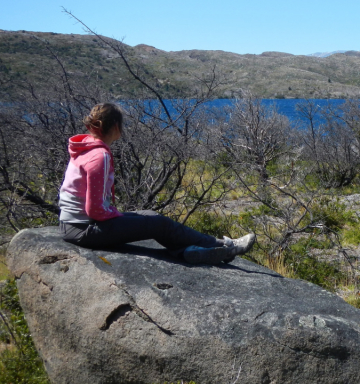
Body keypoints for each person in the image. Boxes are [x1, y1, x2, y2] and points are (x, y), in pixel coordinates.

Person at [58, 103, 255, 264]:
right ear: (117, 127)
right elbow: (95, 210)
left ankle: (188, 251)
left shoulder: (85, 147)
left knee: (152, 216)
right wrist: (117, 215)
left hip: (74, 225)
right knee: (157, 223)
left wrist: (118, 215)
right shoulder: (99, 156)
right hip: (85, 229)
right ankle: (225, 248)